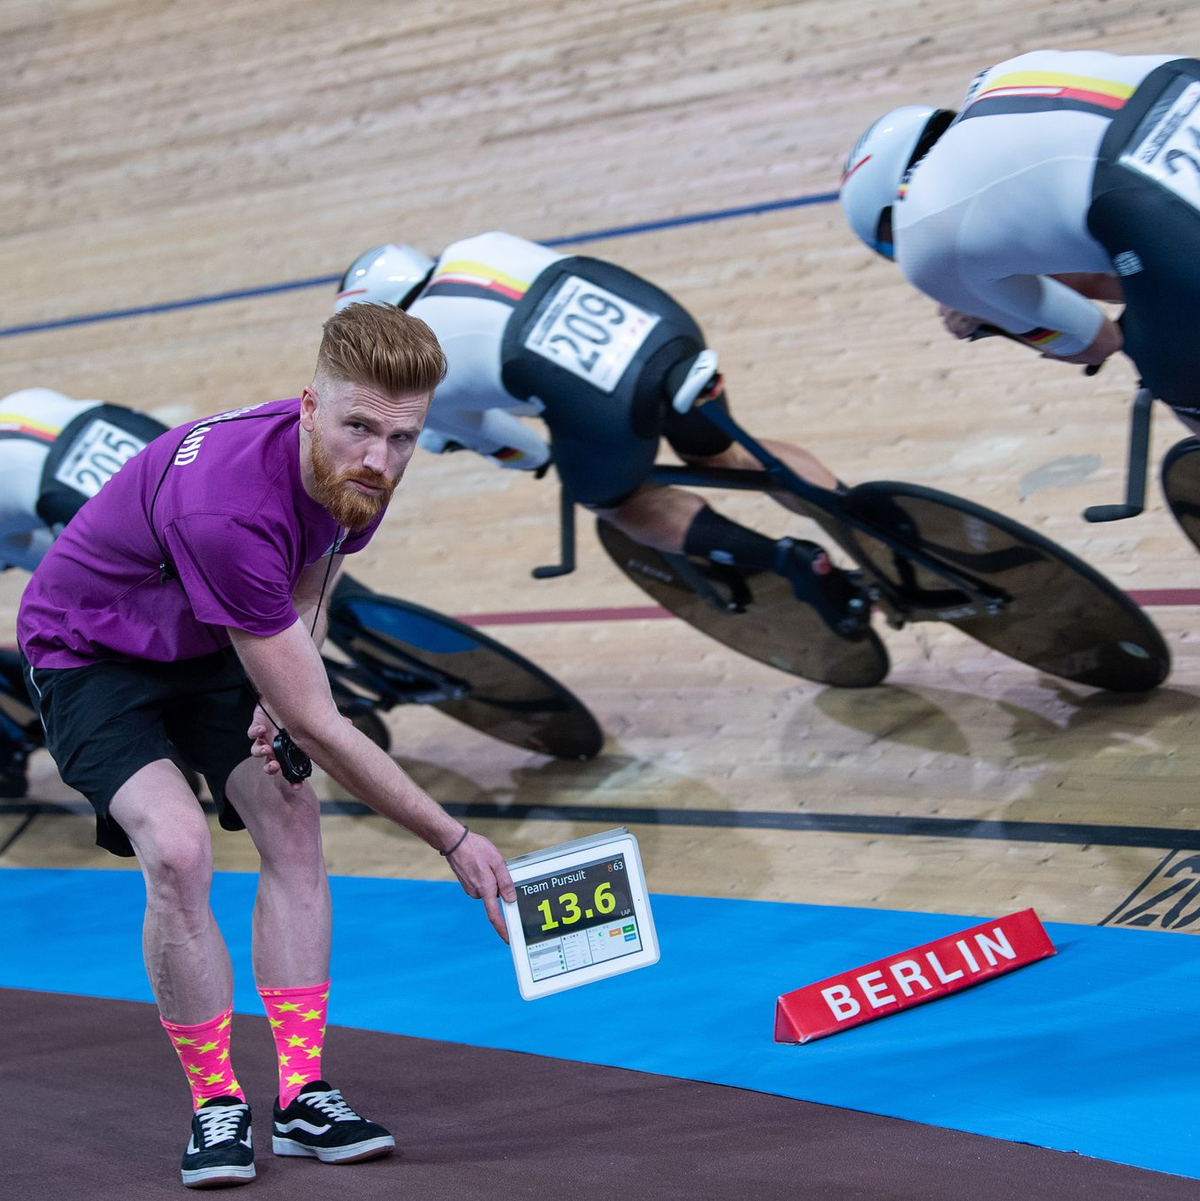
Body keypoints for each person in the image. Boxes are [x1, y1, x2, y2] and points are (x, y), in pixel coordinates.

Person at [16, 304, 517, 1188]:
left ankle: (302, 1096)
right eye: (360, 427)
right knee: (175, 848)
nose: (380, 457)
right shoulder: (229, 510)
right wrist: (452, 836)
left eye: (404, 437)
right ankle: (217, 1103)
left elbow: (319, 565)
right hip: (94, 652)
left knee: (291, 822)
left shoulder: (357, 475)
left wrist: (293, 673)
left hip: (210, 640)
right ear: (307, 407)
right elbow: (325, 727)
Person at [333, 234, 871, 640]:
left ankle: (791, 560)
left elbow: (522, 450)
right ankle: (867, 526)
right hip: (666, 328)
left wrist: (484, 444)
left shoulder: (410, 363)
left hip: (606, 403)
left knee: (615, 500)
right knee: (726, 451)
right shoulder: (476, 247)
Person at [839, 49, 1200, 431]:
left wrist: (993, 318)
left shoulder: (921, 240)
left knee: (1169, 369)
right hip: (1183, 85)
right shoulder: (998, 80)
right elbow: (1140, 273)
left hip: (1138, 201)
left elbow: (1098, 342)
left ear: (890, 214)